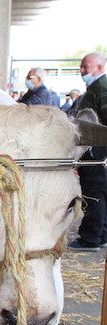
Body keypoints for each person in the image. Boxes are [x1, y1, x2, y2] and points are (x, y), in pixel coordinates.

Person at [69, 53, 107, 251]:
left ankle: (90, 239)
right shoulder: (95, 87)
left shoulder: (102, 86)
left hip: (96, 150)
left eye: (86, 66)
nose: (82, 71)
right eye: (81, 67)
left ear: (99, 67)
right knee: (100, 192)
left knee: (93, 193)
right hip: (97, 150)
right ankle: (100, 235)